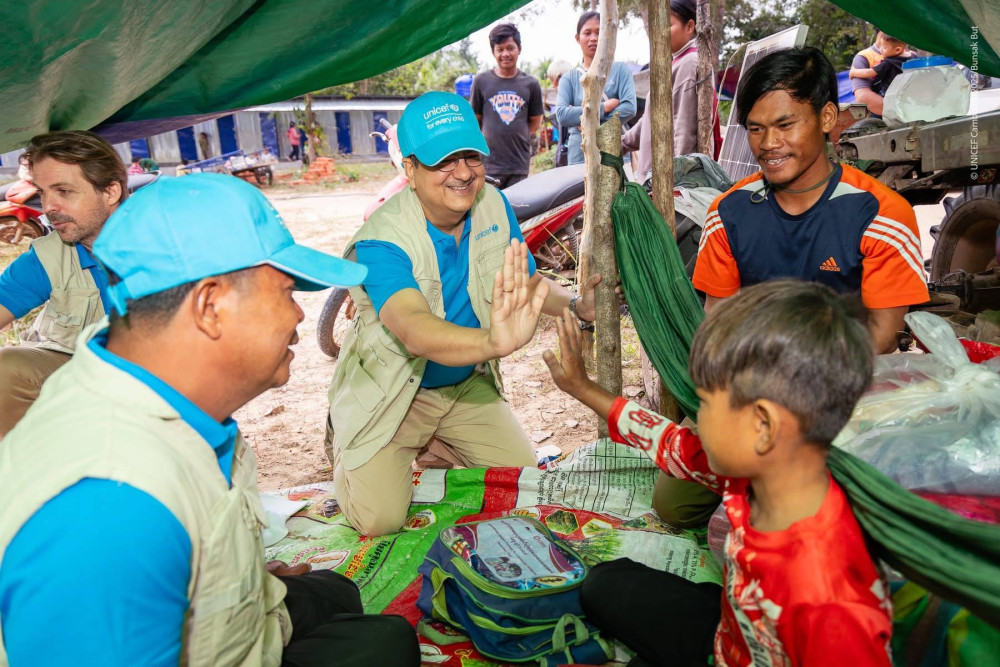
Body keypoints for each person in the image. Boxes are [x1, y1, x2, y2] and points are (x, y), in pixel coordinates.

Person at [0, 174, 420, 667]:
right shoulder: (112, 507)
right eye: (286, 291)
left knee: (338, 595)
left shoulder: (157, 381)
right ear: (210, 307)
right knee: (385, 645)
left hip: (219, 625)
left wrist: (233, 581)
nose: (299, 317)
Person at [543, 280, 892, 666]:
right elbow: (673, 445)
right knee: (604, 585)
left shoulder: (829, 598)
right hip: (733, 633)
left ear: (762, 425)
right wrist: (581, 388)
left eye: (705, 404)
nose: (696, 421)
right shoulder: (768, 473)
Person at [326, 91, 601, 537]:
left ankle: (438, 444)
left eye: (471, 156)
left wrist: (575, 305)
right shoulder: (380, 240)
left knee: (524, 486)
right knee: (380, 520)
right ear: (410, 170)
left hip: (463, 389)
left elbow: (525, 282)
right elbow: (412, 328)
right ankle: (350, 445)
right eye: (442, 160)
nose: (463, 173)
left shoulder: (492, 203)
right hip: (396, 395)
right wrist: (492, 343)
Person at [683, 47, 929, 528]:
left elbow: (880, 337)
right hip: (752, 392)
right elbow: (720, 325)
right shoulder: (727, 214)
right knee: (675, 503)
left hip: (848, 393)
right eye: (756, 129)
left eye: (785, 124)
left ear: (827, 118)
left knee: (840, 511)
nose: (768, 143)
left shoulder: (881, 213)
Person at [0, 130, 126, 438]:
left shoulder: (167, 245)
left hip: (159, 378)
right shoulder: (50, 255)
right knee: (6, 369)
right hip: (77, 370)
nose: (48, 207)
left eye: (64, 191)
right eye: (43, 192)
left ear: (110, 192)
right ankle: (25, 480)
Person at [621, 0, 720, 183]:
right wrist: (624, 143)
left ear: (690, 26)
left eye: (667, 24)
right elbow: (651, 117)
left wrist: (678, 180)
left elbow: (684, 128)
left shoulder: (688, 63)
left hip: (668, 180)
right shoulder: (674, 63)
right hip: (657, 175)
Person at [555, 11, 637, 165]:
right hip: (579, 156)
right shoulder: (569, 78)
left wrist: (590, 124)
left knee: (616, 189)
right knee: (581, 189)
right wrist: (603, 107)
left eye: (599, 32)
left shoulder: (620, 70)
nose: (593, 38)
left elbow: (629, 108)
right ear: (577, 38)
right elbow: (562, 114)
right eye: (587, 33)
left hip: (613, 151)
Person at [470, 23, 544, 188]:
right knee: (490, 210)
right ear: (493, 52)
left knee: (517, 210)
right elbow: (476, 121)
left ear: (519, 48)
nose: (505, 54)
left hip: (518, 164)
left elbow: (534, 123)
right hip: (489, 163)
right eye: (500, 49)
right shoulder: (481, 81)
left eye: (510, 48)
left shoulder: (531, 84)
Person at [851, 32, 909, 116]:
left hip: (902, 104)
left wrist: (854, 72)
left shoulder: (898, 56)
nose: (882, 49)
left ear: (898, 49)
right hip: (883, 113)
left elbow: (869, 72)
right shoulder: (864, 57)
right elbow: (863, 97)